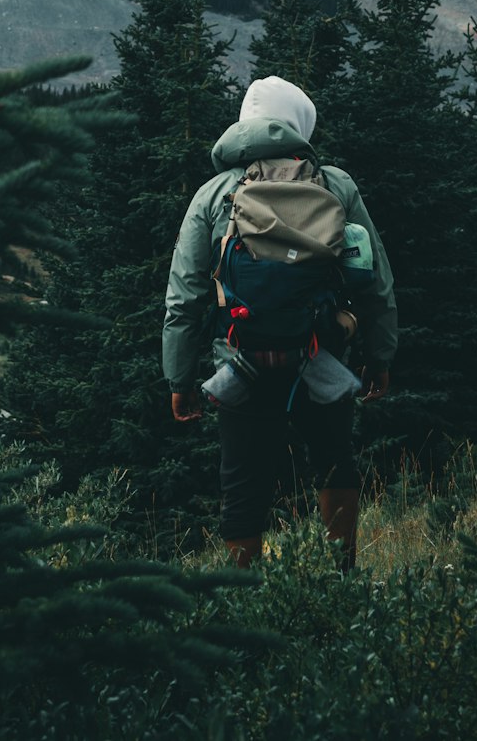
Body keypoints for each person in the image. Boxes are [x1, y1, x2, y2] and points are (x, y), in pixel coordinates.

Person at [162, 75, 398, 569]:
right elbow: (375, 279)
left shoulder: (214, 193)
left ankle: (243, 604)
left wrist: (179, 377)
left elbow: (184, 297)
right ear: (298, 124)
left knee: (243, 482)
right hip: (324, 354)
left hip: (241, 360)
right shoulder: (335, 184)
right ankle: (341, 576)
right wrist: (380, 355)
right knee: (335, 463)